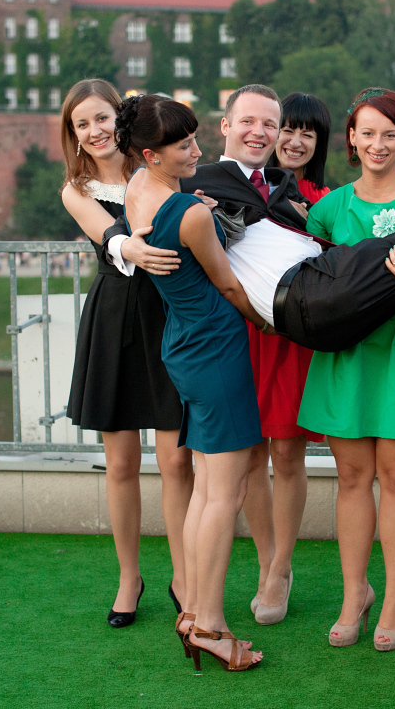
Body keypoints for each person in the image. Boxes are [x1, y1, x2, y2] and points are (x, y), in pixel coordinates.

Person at [118, 93, 269, 672]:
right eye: (184, 146)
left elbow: (157, 235)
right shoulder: (191, 214)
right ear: (151, 154)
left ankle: (195, 612)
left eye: (194, 140)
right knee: (223, 494)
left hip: (182, 343)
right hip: (216, 347)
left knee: (208, 488)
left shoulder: (139, 188)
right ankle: (209, 625)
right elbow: (228, 285)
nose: (197, 151)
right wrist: (266, 321)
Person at [297, 87, 395, 652]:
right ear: (352, 140)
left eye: (390, 134)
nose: (378, 144)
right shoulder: (328, 209)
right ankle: (354, 592)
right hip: (347, 352)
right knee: (352, 478)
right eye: (367, 133)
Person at [58, 79, 192, 628]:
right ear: (73, 134)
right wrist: (129, 244)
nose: (94, 131)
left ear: (122, 118)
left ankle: (185, 576)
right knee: (120, 464)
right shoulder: (75, 190)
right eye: (81, 124)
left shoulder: (157, 168)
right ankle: (129, 578)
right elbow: (110, 237)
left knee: (176, 460)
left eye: (102, 118)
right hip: (114, 320)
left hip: (169, 312)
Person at [241, 92, 334, 625]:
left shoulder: (327, 201)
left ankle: (281, 568)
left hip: (293, 335)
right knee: (248, 454)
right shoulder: (241, 187)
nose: (294, 141)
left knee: (287, 453)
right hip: (244, 330)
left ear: (321, 142)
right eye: (287, 130)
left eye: (307, 133)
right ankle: (265, 561)